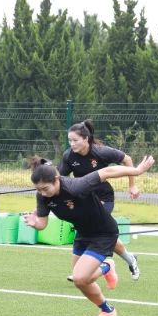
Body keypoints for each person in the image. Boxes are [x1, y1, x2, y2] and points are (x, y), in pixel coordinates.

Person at [23, 155, 154, 316]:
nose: (42, 193)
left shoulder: (76, 186)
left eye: (45, 188)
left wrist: (137, 170)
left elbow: (107, 171)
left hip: (103, 233)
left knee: (80, 278)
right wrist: (35, 223)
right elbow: (42, 223)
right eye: (39, 189)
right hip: (82, 233)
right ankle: (107, 271)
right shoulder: (42, 196)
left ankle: (108, 311)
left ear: (56, 180)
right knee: (82, 280)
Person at [59, 120, 140, 280]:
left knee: (96, 231)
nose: (72, 144)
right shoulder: (69, 156)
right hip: (83, 200)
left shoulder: (101, 152)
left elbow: (127, 160)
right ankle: (129, 259)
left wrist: (132, 185)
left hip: (103, 198)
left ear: (86, 139)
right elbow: (60, 179)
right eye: (70, 140)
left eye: (75, 140)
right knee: (97, 232)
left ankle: (106, 266)